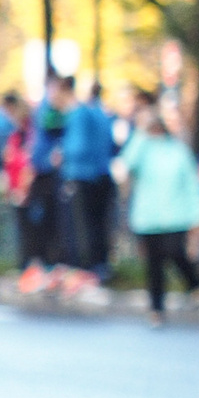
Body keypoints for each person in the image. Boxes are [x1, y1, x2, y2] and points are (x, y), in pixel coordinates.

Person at [117, 93, 199, 325]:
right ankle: (156, 308)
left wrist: (197, 215)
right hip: (148, 217)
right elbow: (125, 165)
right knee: (154, 263)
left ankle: (195, 285)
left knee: (176, 253)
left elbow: (191, 184)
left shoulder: (177, 151)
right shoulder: (142, 148)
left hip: (175, 216)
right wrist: (140, 132)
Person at [17, 77, 71, 294]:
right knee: (39, 219)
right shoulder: (45, 110)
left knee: (48, 220)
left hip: (49, 174)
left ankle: (49, 264)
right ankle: (41, 264)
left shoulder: (53, 111)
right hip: (41, 173)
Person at [62, 81, 118, 285]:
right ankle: (101, 266)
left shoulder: (79, 114)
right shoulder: (103, 115)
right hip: (102, 175)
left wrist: (63, 154)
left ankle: (87, 269)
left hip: (83, 175)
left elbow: (77, 147)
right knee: (100, 224)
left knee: (83, 225)